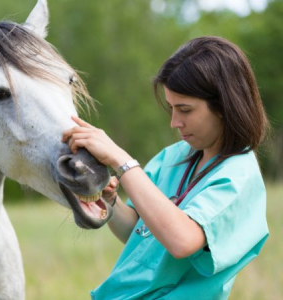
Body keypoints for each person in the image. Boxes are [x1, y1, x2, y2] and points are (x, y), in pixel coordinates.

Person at [62, 36, 269, 300]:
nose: (174, 122)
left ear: (224, 106)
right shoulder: (176, 155)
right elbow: (140, 234)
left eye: (185, 110)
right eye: (171, 108)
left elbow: (182, 241)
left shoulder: (238, 176)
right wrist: (110, 201)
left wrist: (121, 161)